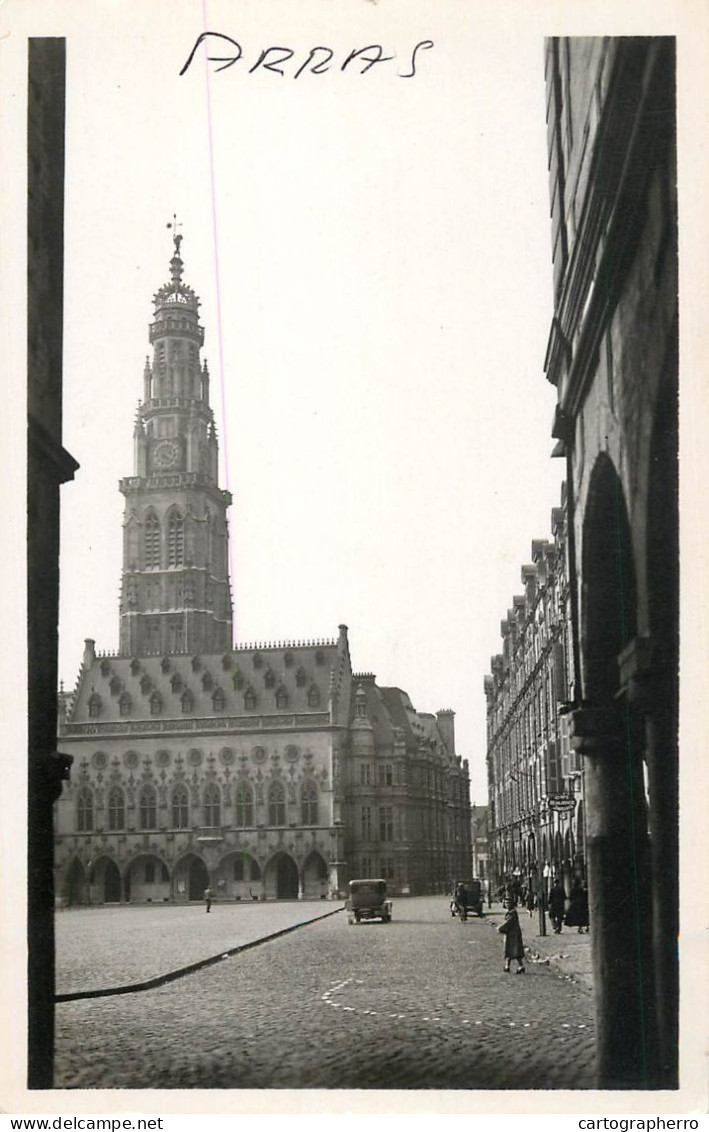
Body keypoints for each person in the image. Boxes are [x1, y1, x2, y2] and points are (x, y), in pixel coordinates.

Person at [498, 906, 526, 973]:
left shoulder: (512, 913)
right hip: (511, 933)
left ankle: (518, 966)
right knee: (511, 951)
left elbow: (508, 922)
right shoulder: (512, 912)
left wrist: (500, 928)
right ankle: (508, 966)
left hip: (513, 934)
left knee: (512, 950)